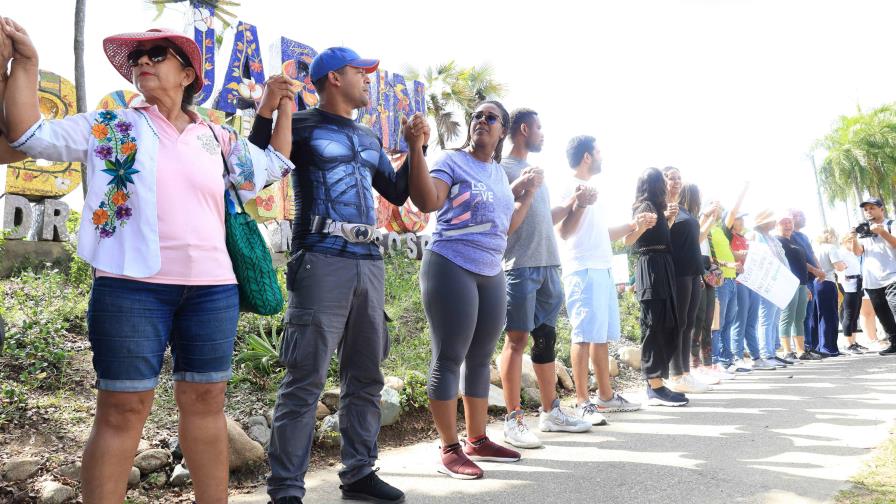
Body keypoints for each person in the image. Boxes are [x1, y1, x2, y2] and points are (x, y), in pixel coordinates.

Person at [3, 18, 294, 503]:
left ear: (187, 75)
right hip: (129, 287)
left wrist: (282, 106)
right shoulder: (111, 124)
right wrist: (28, 63)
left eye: (156, 54)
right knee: (122, 409)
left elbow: (272, 166)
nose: (142, 62)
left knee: (206, 403)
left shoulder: (215, 138)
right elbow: (29, 134)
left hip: (213, 290)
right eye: (137, 58)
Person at [248, 47, 433, 503]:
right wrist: (267, 109)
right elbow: (255, 170)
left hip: (368, 262)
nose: (369, 80)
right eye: (360, 72)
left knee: (366, 376)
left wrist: (415, 147)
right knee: (305, 379)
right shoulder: (301, 124)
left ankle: (359, 474)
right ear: (333, 78)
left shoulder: (369, 136)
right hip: (320, 258)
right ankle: (286, 490)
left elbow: (395, 189)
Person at [412, 101, 534, 480]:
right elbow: (428, 201)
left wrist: (526, 194)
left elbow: (506, 226)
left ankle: (477, 439)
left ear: (502, 131)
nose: (481, 121)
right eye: (477, 116)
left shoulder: (498, 173)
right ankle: (449, 448)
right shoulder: (451, 161)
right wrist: (416, 149)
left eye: (490, 118)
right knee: (449, 356)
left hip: (490, 269)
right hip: (451, 263)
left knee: (481, 358)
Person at [498, 109, 590, 450]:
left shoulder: (539, 176)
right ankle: (513, 419)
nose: (542, 134)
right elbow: (503, 217)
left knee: (546, 340)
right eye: (539, 128)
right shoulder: (503, 171)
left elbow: (544, 219)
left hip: (550, 266)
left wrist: (573, 203)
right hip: (519, 268)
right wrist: (524, 188)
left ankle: (551, 412)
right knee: (516, 342)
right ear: (524, 129)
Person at [553, 136, 643, 421]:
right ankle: (582, 402)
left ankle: (605, 397)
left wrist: (633, 225)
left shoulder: (594, 189)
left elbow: (601, 235)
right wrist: (578, 204)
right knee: (582, 336)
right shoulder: (567, 185)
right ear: (587, 156)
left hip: (602, 269)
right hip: (582, 270)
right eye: (599, 151)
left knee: (600, 337)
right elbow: (564, 232)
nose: (602, 156)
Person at [624, 167, 688, 406]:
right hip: (651, 267)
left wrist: (669, 220)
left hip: (662, 266)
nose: (666, 183)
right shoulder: (645, 207)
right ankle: (654, 386)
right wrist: (642, 225)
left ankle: (658, 381)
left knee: (667, 323)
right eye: (662, 180)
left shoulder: (657, 208)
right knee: (654, 325)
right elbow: (628, 240)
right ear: (654, 184)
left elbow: (659, 238)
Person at [662, 168, 711, 392]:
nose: (676, 181)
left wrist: (709, 219)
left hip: (693, 272)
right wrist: (666, 217)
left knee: (689, 323)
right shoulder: (661, 208)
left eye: (679, 178)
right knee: (679, 322)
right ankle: (676, 375)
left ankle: (686, 373)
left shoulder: (683, 209)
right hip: (678, 271)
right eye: (671, 178)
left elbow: (696, 239)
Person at [681, 185, 723, 384]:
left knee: (707, 320)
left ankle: (707, 364)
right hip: (695, 268)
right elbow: (695, 239)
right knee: (696, 321)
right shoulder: (690, 221)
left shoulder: (705, 226)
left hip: (707, 267)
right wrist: (706, 218)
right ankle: (693, 365)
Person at [709, 184, 748, 373]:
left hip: (732, 281)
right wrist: (742, 189)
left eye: (719, 207)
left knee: (728, 322)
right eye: (713, 206)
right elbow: (707, 256)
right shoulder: (705, 230)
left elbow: (732, 211)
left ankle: (726, 360)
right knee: (718, 323)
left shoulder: (720, 229)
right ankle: (715, 362)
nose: (717, 209)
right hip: (719, 281)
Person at [850, 197, 896, 355]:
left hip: (892, 276)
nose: (869, 211)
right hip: (872, 281)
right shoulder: (863, 230)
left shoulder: (891, 224)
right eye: (866, 209)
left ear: (881, 209)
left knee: (895, 308)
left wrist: (882, 232)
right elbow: (857, 252)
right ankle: (894, 343)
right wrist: (853, 237)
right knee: (883, 315)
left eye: (872, 208)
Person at [776, 215, 821, 361]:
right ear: (777, 225)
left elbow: (802, 262)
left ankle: (801, 351)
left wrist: (811, 275)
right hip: (787, 283)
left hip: (802, 283)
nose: (788, 225)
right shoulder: (777, 241)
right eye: (784, 222)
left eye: (790, 222)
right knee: (787, 316)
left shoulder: (794, 240)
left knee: (799, 318)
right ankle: (787, 351)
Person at [750, 210, 791, 369]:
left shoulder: (771, 238)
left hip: (778, 282)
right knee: (766, 318)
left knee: (774, 318)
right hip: (766, 282)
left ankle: (772, 352)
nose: (774, 223)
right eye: (770, 220)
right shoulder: (755, 236)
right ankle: (766, 353)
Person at [727, 211, 768, 370]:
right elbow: (730, 255)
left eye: (743, 218)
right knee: (740, 321)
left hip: (752, 283)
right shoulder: (728, 237)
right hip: (738, 282)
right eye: (738, 218)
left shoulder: (744, 239)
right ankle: (737, 357)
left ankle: (756, 357)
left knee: (751, 322)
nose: (742, 221)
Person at [789, 208, 827, 357]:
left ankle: (810, 346)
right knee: (801, 315)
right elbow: (797, 259)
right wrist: (815, 270)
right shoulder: (789, 236)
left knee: (809, 314)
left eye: (803, 214)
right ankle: (802, 347)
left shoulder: (803, 236)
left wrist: (820, 269)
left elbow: (811, 254)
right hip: (800, 279)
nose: (802, 218)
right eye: (797, 215)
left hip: (811, 279)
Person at [831, 232, 866, 355]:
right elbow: (838, 268)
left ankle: (854, 341)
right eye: (850, 241)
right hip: (847, 284)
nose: (852, 243)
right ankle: (848, 343)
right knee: (849, 314)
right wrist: (842, 282)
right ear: (844, 241)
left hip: (857, 283)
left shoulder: (852, 253)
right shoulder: (840, 252)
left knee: (856, 314)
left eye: (853, 241)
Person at [814, 228, 843, 356]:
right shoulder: (830, 248)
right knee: (830, 316)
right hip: (827, 281)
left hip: (814, 283)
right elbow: (838, 266)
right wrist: (844, 265)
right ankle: (829, 347)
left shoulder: (815, 248)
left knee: (816, 316)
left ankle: (818, 346)